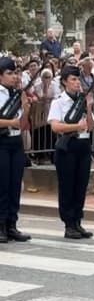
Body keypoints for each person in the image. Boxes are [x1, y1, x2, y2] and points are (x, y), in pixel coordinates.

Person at [48, 65, 94, 239]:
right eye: (73, 79)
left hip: (83, 145)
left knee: (81, 185)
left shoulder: (82, 101)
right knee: (67, 186)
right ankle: (69, 223)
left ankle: (78, 221)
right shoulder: (59, 102)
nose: (77, 83)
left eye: (78, 79)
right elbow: (55, 126)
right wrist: (76, 126)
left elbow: (90, 126)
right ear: (64, 82)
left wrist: (89, 107)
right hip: (67, 147)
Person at [0, 57, 32, 243]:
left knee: (14, 184)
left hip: (15, 141)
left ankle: (12, 224)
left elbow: (23, 122)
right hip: (2, 143)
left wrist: (26, 107)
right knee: (3, 185)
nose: (14, 77)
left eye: (15, 73)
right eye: (9, 73)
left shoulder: (16, 94)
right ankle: (1, 225)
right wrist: (11, 122)